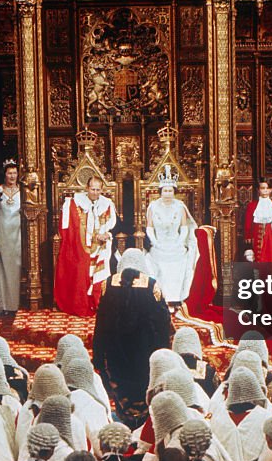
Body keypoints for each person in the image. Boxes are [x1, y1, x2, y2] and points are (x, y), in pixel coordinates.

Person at [92, 249, 173, 427]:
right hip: (144, 351)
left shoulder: (108, 284)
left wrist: (98, 354)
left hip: (116, 350)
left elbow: (101, 322)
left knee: (122, 385)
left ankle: (126, 420)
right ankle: (143, 423)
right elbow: (162, 323)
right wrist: (164, 350)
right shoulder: (152, 286)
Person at [55, 175, 118, 316]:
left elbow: (114, 226)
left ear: (102, 190)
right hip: (81, 246)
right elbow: (68, 228)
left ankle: (98, 302)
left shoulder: (107, 204)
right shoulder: (75, 203)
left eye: (98, 190)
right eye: (92, 189)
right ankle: (83, 302)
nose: (95, 193)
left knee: (106, 262)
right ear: (87, 188)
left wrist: (107, 234)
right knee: (80, 265)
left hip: (102, 245)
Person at [145, 166, 199, 304]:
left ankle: (176, 298)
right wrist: (155, 242)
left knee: (181, 260)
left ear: (174, 192)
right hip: (159, 244)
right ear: (160, 191)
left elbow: (184, 228)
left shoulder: (180, 206)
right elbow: (149, 228)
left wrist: (179, 242)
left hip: (176, 244)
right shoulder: (153, 206)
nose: (167, 193)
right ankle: (161, 297)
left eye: (170, 191)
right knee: (152, 259)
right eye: (165, 191)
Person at [0, 160, 22, 314]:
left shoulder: (22, 191)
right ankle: (5, 306)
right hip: (3, 232)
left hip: (17, 234)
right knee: (3, 268)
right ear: (4, 174)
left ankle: (16, 304)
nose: (12, 176)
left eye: (14, 173)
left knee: (16, 268)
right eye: (9, 173)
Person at [244, 178, 272, 261]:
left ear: (271, 190)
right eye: (262, 188)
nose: (265, 191)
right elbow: (248, 223)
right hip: (257, 235)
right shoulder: (252, 205)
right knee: (257, 257)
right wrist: (248, 236)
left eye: (267, 188)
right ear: (258, 190)